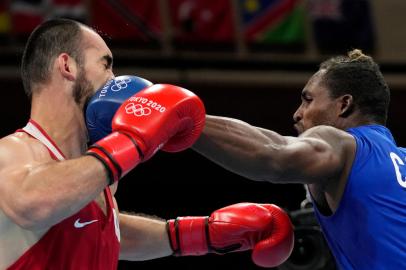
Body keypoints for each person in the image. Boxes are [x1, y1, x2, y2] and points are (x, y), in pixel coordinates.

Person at [0, 18, 294, 269]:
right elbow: (32, 205)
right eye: (106, 65)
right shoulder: (13, 152)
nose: (113, 78)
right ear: (67, 66)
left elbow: (99, 232)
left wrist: (199, 234)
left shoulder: (94, 181)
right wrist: (131, 140)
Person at [192, 49, 406, 269]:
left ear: (344, 105)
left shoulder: (342, 144)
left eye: (308, 100)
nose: (297, 113)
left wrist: (185, 118)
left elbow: (274, 155)